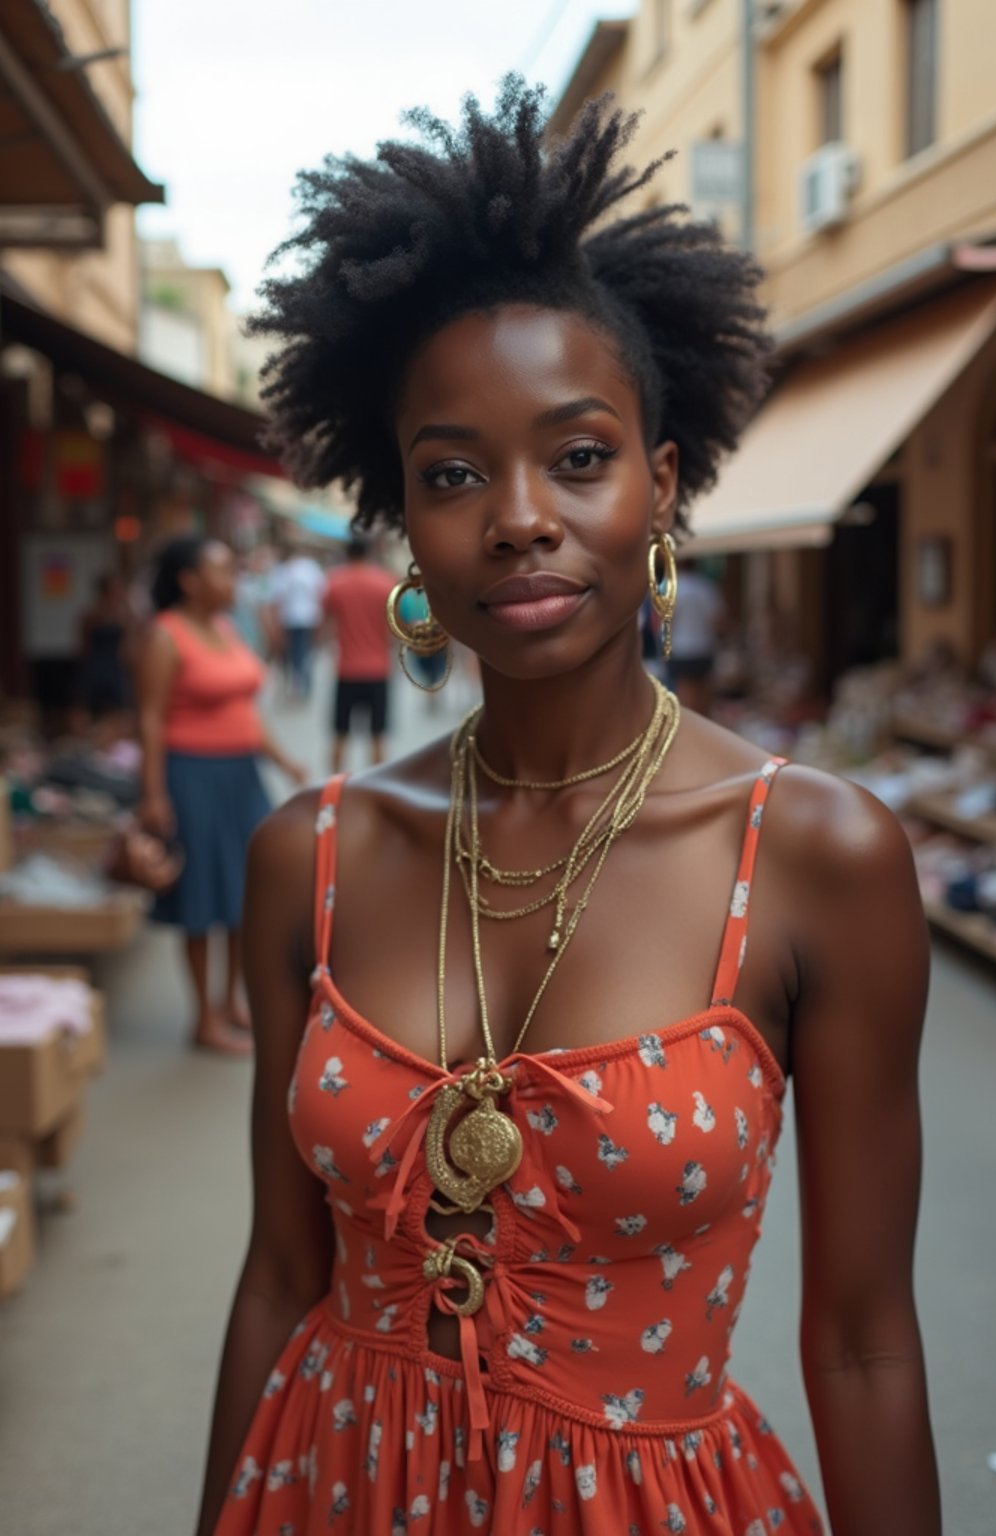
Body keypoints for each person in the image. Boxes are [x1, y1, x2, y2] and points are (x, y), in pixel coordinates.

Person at [197, 83, 939, 1535]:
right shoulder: (314, 857)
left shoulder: (816, 858)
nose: (520, 514)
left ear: (662, 490)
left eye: (579, 456)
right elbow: (281, 1276)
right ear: (407, 523)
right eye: (455, 472)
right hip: (331, 1486)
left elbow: (862, 1342)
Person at [136, 536, 306, 1057]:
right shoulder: (165, 637)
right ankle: (203, 1018)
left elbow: (245, 712)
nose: (233, 581)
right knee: (201, 898)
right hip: (193, 778)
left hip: (241, 777)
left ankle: (232, 1001)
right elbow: (150, 718)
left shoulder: (227, 629)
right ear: (189, 580)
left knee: (243, 894)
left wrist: (282, 759)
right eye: (222, 572)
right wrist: (153, 794)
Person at [320, 537, 396, 771]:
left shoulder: (335, 582)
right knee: (378, 736)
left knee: (340, 734)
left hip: (347, 669)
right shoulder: (385, 582)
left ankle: (334, 789)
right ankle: (376, 788)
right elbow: (393, 629)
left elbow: (326, 624)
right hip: (378, 669)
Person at [668, 557, 726, 716]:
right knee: (704, 691)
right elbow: (718, 619)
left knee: (685, 692)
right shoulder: (707, 587)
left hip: (682, 646)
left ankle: (688, 728)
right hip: (704, 645)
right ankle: (703, 727)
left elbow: (667, 619)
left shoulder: (675, 587)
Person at [271, 544, 326, 699]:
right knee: (304, 652)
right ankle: (303, 683)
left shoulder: (285, 570)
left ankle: (298, 683)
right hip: (308, 618)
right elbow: (321, 593)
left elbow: (278, 598)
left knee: (295, 653)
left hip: (291, 619)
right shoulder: (311, 569)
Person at [78, 572, 135, 719]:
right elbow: (83, 645)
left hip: (116, 666)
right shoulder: (91, 614)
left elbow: (130, 644)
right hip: (96, 664)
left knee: (120, 709)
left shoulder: (125, 614)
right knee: (93, 709)